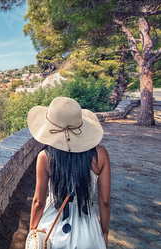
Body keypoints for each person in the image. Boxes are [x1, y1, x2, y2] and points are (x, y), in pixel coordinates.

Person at [27, 97, 111, 248]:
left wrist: (32, 231)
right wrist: (104, 232)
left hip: (53, 230)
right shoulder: (101, 154)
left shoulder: (45, 157)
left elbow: (39, 201)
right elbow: (105, 201)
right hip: (88, 232)